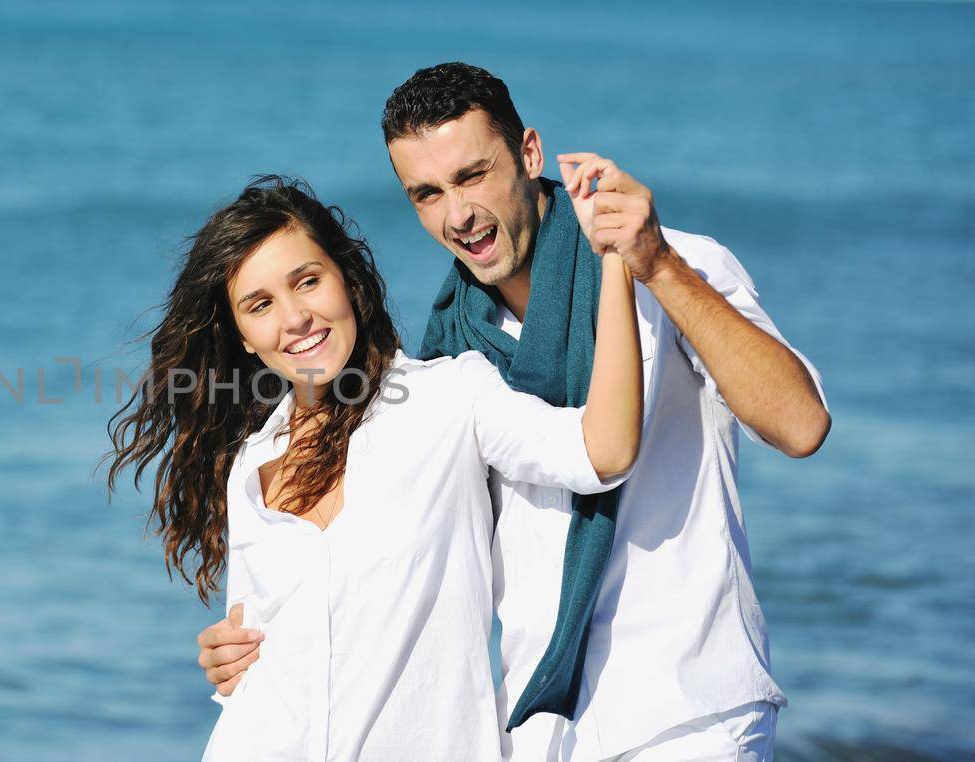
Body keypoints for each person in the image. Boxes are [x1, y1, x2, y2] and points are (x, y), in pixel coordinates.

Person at [197, 64, 832, 761]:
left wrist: (651, 264)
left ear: (529, 154)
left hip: (684, 707)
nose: (456, 214)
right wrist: (254, 648)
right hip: (540, 728)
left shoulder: (674, 266)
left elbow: (799, 425)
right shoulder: (448, 354)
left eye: (473, 176)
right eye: (427, 194)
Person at [108, 175, 645, 760]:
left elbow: (605, 451)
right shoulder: (251, 467)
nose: (295, 319)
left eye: (307, 282)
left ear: (346, 278)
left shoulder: (450, 397)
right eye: (260, 305)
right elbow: (248, 652)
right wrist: (224, 657)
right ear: (241, 336)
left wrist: (615, 262)